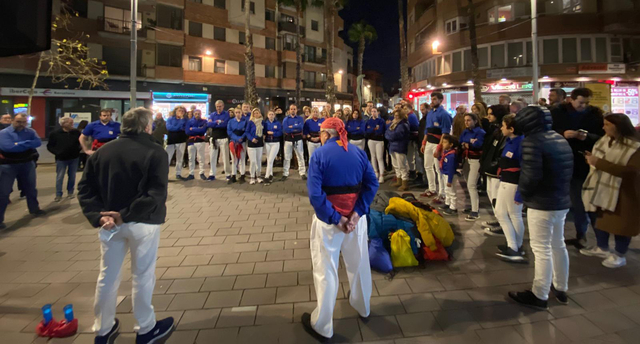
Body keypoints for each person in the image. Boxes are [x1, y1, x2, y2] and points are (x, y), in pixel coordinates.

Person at [77, 107, 174, 344]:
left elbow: (85, 189)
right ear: (146, 126)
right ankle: (146, 328)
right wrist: (125, 214)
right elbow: (156, 193)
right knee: (142, 275)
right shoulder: (155, 152)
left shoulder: (102, 152)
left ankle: (103, 329)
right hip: (142, 222)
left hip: (109, 224)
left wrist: (99, 216)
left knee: (107, 276)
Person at [303, 117, 378, 341]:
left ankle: (323, 325)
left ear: (326, 134)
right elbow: (372, 184)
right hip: (356, 220)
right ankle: (363, 306)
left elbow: (316, 195)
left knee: (325, 270)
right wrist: (355, 214)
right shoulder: (358, 152)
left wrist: (337, 219)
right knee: (359, 263)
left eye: (320, 133)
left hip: (329, 223)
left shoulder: (319, 155)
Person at [508, 106, 573, 310]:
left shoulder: (532, 142)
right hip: (560, 200)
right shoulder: (559, 139)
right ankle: (560, 287)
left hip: (542, 203)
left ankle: (539, 294)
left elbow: (530, 175)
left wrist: (524, 195)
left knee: (541, 248)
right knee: (558, 244)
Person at [579, 114, 640, 268]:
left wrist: (598, 162)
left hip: (624, 191)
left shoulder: (634, 146)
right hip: (601, 187)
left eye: (607, 124)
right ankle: (602, 247)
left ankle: (620, 254)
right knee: (599, 217)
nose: (603, 127)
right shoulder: (605, 140)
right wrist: (592, 160)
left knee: (621, 223)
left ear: (618, 126)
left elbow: (631, 171)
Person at [551, 87, 604, 248]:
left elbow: (601, 138)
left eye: (586, 103)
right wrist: (563, 133)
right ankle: (581, 235)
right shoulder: (558, 113)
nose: (584, 106)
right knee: (576, 202)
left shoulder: (594, 115)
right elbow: (549, 131)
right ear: (571, 100)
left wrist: (586, 136)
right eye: (581, 103)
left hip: (586, 163)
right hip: (565, 161)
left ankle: (598, 241)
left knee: (589, 203)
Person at [0, 113, 44, 229]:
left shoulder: (30, 132)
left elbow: (37, 143)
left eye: (23, 122)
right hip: (8, 165)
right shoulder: (4, 133)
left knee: (31, 188)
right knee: (3, 192)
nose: (21, 124)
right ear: (13, 120)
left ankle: (34, 209)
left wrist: (19, 144)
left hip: (27, 163)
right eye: (18, 121)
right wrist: (27, 144)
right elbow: (8, 147)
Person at [494, 114, 526, 262]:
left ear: (511, 129)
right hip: (507, 181)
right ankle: (515, 245)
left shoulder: (520, 143)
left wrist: (520, 192)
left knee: (508, 214)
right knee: (508, 213)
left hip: (512, 183)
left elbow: (524, 168)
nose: (501, 128)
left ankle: (514, 247)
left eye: (503, 125)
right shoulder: (511, 141)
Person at [479, 105, 509, 234]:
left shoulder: (503, 133)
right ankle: (498, 219)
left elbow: (500, 151)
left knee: (497, 197)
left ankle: (503, 224)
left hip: (495, 169)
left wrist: (494, 165)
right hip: (489, 167)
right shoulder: (494, 129)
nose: (488, 116)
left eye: (491, 114)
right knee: (491, 194)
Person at [421, 92, 452, 203]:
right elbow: (427, 129)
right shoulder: (430, 113)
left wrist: (440, 146)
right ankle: (432, 188)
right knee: (427, 166)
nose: (432, 101)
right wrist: (424, 142)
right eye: (432, 99)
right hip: (429, 142)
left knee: (439, 169)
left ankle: (442, 193)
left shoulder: (444, 114)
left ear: (440, 100)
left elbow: (445, 132)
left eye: (434, 99)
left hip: (437, 143)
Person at [47, 117, 81, 202]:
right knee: (60, 177)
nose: (72, 125)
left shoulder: (76, 132)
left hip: (74, 158)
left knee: (72, 176)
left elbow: (80, 142)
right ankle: (58, 194)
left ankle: (70, 192)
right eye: (70, 123)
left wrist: (78, 150)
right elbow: (50, 146)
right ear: (63, 124)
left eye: (72, 123)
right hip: (61, 159)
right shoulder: (55, 134)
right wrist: (57, 152)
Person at [460, 113, 486, 221]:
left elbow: (478, 145)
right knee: (468, 183)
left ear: (475, 121)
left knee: (472, 185)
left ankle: (475, 210)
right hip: (467, 159)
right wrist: (469, 143)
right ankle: (473, 206)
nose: (466, 122)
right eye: (465, 120)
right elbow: (461, 141)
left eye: (469, 120)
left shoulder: (480, 132)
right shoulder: (465, 131)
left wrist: (468, 143)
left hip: (476, 160)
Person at [386, 108, 411, 191]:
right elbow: (387, 133)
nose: (396, 117)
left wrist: (389, 135)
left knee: (402, 166)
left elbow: (395, 135)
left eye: (397, 115)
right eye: (395, 115)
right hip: (393, 146)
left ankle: (405, 183)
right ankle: (399, 180)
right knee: (396, 165)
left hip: (400, 147)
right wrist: (389, 134)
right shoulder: (394, 124)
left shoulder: (403, 124)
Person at [207, 100, 231, 181]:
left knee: (225, 157)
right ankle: (212, 174)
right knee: (212, 157)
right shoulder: (212, 114)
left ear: (223, 106)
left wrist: (215, 123)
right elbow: (209, 124)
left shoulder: (226, 114)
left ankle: (227, 174)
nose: (218, 108)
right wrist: (218, 122)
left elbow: (225, 124)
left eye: (220, 106)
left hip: (223, 138)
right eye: (217, 106)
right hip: (214, 138)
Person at [282, 104, 306, 181]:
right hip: (288, 139)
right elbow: (286, 129)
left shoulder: (300, 118)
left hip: (298, 139)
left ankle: (302, 173)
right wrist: (295, 127)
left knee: (300, 156)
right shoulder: (286, 119)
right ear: (289, 110)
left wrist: (292, 127)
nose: (293, 110)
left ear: (296, 110)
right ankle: (285, 173)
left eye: (294, 109)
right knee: (287, 157)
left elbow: (301, 127)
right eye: (291, 109)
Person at [438, 134, 460, 216]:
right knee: (447, 190)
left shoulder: (451, 155)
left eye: (445, 142)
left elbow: (451, 168)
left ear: (451, 145)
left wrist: (450, 180)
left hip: (449, 175)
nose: (443, 144)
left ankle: (453, 207)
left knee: (452, 191)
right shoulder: (445, 153)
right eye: (443, 142)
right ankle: (447, 203)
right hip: (445, 173)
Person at [165, 106, 188, 180]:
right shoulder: (170, 119)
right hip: (171, 140)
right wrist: (178, 127)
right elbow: (169, 128)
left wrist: (181, 120)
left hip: (181, 139)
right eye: (179, 110)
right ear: (175, 111)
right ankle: (165, 175)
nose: (181, 112)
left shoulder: (185, 120)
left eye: (182, 111)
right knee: (167, 157)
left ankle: (178, 173)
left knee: (180, 158)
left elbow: (185, 128)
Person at [184, 109, 208, 180]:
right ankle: (191, 173)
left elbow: (203, 131)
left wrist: (193, 129)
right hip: (191, 141)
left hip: (200, 141)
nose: (197, 115)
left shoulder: (204, 121)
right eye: (196, 113)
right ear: (194, 114)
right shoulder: (189, 121)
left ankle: (202, 172)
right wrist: (198, 129)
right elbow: (187, 131)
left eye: (199, 113)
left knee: (201, 158)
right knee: (191, 158)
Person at [365, 107, 386, 184]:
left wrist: (372, 129)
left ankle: (381, 175)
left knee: (379, 158)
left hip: (379, 140)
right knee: (373, 157)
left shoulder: (381, 121)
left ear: (377, 112)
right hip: (371, 140)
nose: (373, 113)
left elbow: (380, 131)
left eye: (375, 111)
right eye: (372, 111)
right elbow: (367, 131)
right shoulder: (369, 121)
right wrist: (374, 129)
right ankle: (375, 172)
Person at [227, 108, 248, 184]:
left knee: (242, 159)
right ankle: (234, 175)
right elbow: (229, 131)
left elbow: (246, 131)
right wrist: (236, 138)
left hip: (242, 142)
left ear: (241, 113)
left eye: (239, 112)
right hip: (233, 142)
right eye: (236, 112)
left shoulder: (245, 121)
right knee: (234, 159)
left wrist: (241, 138)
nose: (237, 114)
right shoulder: (231, 121)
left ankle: (242, 175)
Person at [246, 108, 265, 185]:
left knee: (258, 161)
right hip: (252, 143)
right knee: (253, 161)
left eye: (257, 113)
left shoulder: (262, 122)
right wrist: (251, 138)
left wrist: (264, 136)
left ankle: (258, 176)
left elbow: (265, 130)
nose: (256, 114)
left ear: (260, 114)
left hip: (259, 143)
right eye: (255, 113)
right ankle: (252, 176)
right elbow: (247, 132)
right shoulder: (250, 122)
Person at [263, 110, 282, 184]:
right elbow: (263, 131)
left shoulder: (278, 123)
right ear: (267, 115)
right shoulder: (265, 123)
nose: (271, 116)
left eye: (272, 114)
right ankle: (270, 174)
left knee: (271, 160)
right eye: (270, 114)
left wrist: (273, 133)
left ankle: (266, 176)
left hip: (275, 142)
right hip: (267, 142)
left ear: (274, 115)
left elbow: (280, 132)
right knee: (268, 159)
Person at [406, 103, 422, 180]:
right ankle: (413, 171)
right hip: (410, 138)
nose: (405, 110)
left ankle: (418, 173)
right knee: (411, 156)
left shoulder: (411, 116)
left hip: (413, 138)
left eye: (406, 109)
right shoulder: (409, 116)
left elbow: (415, 127)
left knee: (415, 156)